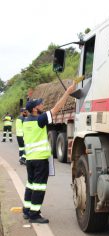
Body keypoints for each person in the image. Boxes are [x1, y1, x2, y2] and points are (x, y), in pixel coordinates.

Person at [22, 81, 75, 224]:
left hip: (30, 159)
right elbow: (56, 109)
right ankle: (34, 215)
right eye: (39, 104)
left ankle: (27, 211)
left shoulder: (26, 122)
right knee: (39, 187)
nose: (42, 105)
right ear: (34, 109)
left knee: (31, 184)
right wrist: (67, 92)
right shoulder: (39, 120)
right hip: (40, 160)